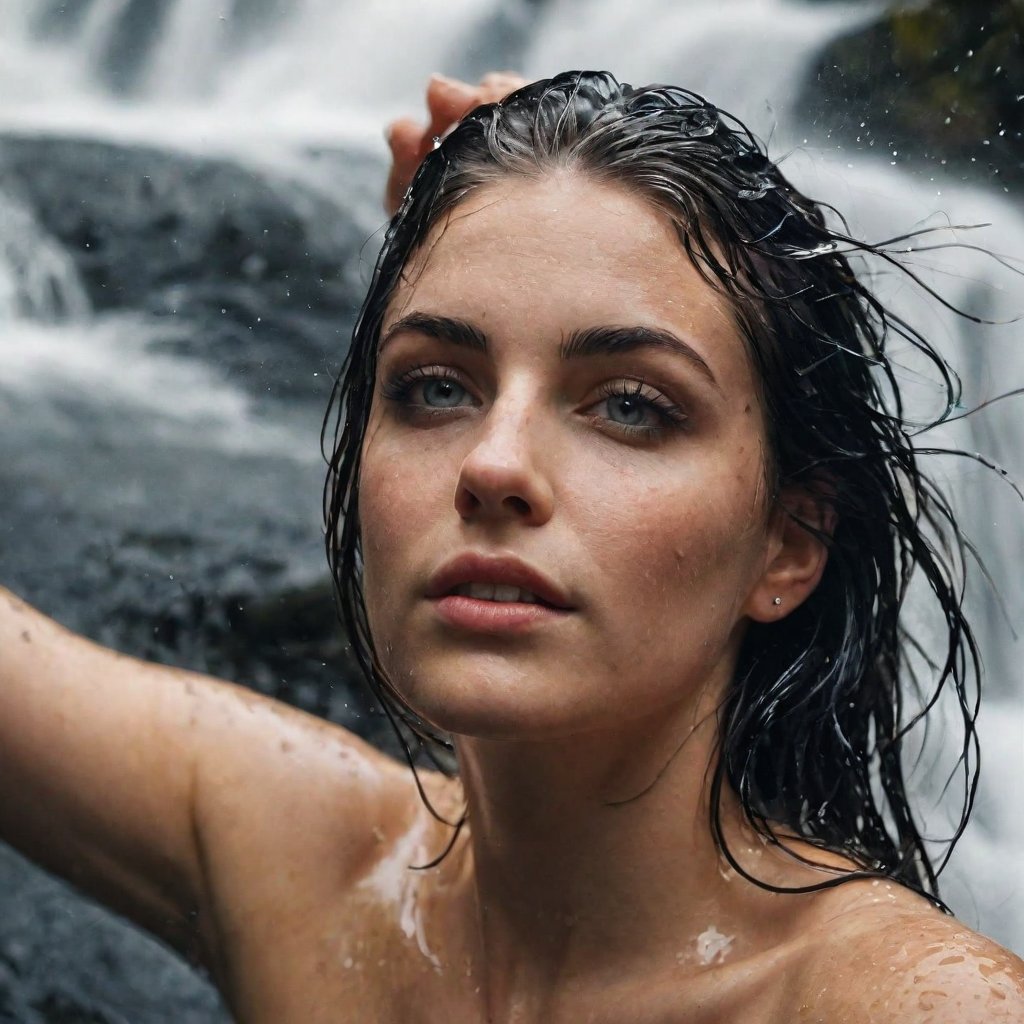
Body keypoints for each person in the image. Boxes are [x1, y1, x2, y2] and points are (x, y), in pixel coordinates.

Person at [1, 69, 1022, 1023]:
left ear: (786, 546)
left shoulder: (910, 1002)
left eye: (630, 405)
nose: (492, 465)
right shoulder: (310, 876)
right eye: (434, 384)